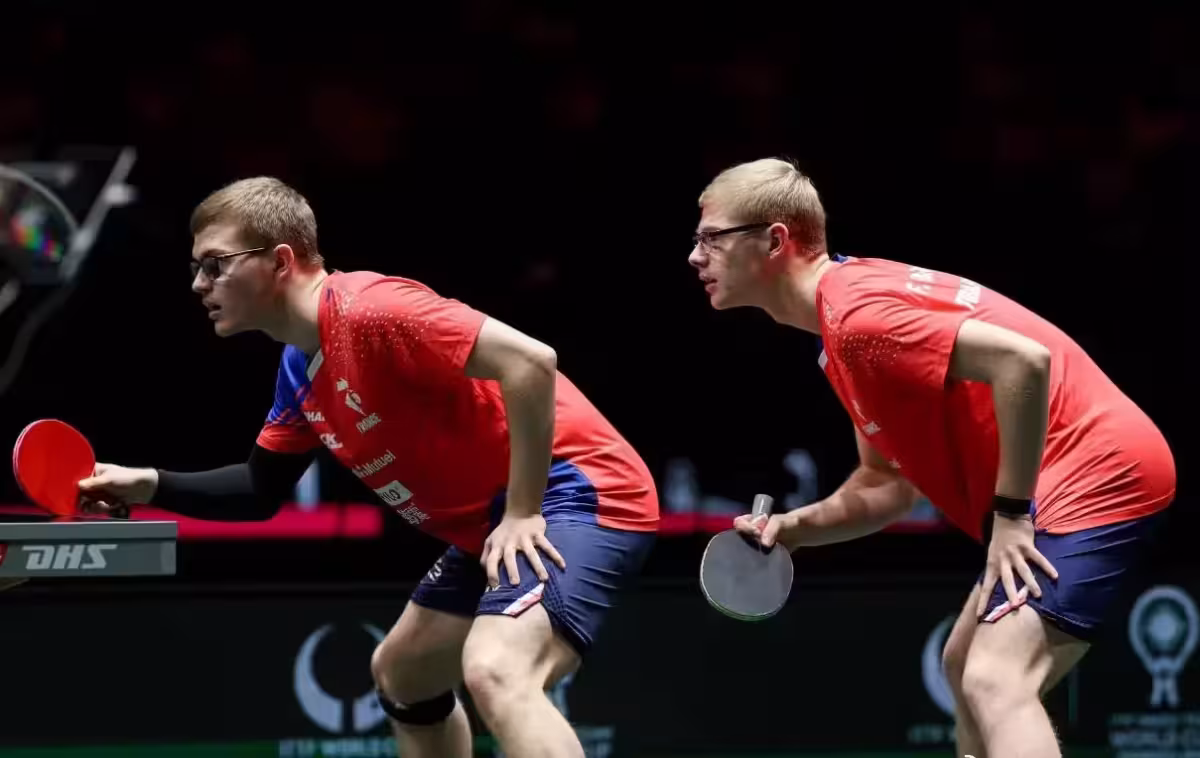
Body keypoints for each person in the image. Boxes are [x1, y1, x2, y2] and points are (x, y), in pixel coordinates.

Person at [78, 177, 659, 758]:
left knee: (498, 669)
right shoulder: (299, 368)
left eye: (215, 264)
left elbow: (531, 362)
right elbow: (259, 488)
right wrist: (147, 484)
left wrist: (523, 511)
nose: (199, 284)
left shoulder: (373, 310)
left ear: (280, 261)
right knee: (405, 674)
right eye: (197, 268)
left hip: (576, 493)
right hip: (493, 522)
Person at [688, 157, 1176, 758]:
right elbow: (886, 486)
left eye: (712, 238)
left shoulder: (860, 319)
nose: (695, 256)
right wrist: (792, 529)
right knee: (962, 664)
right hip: (1075, 471)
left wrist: (1011, 515)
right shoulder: (841, 332)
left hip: (1099, 469)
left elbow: (1023, 363)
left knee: (996, 679)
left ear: (774, 241)